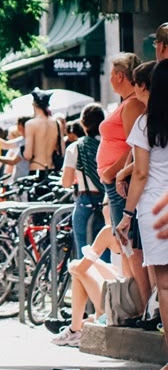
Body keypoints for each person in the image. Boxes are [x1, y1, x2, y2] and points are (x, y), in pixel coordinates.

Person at [118, 60, 168, 370]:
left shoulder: (146, 124)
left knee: (164, 284)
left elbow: (140, 172)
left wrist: (126, 215)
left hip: (155, 208)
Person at [98, 53, 149, 305]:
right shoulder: (126, 104)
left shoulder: (131, 105)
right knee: (125, 246)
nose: (109, 79)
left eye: (110, 74)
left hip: (122, 184)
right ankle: (138, 302)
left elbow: (134, 145)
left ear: (119, 76)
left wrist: (115, 172)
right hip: (117, 183)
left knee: (130, 246)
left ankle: (145, 303)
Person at [51, 226, 122, 347]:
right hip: (138, 301)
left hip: (125, 303)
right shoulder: (139, 229)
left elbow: (80, 269)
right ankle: (78, 325)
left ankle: (76, 327)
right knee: (82, 268)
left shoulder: (110, 231)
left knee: (75, 267)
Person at [61, 104, 106, 257]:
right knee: (105, 252)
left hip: (85, 202)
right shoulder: (107, 145)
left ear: (82, 123)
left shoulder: (75, 148)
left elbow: (66, 182)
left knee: (84, 255)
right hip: (107, 202)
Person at [22, 89, 61, 172]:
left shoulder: (30, 124)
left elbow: (28, 155)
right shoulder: (57, 123)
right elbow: (61, 151)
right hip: (52, 169)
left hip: (37, 168)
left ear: (34, 104)